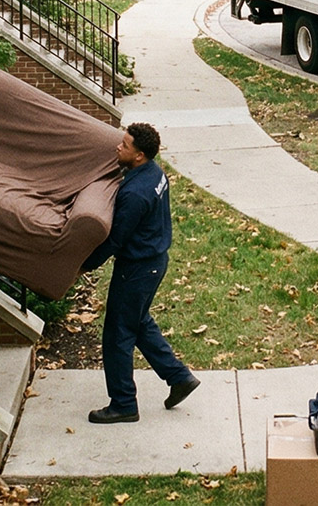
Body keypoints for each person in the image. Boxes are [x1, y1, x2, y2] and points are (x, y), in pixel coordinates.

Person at [82, 122, 200, 424]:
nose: (117, 148)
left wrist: (82, 265)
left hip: (136, 268)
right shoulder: (154, 173)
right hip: (154, 262)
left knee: (117, 334)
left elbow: (115, 240)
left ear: (139, 155)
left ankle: (123, 403)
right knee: (138, 322)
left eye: (124, 145)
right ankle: (179, 377)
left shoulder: (135, 193)